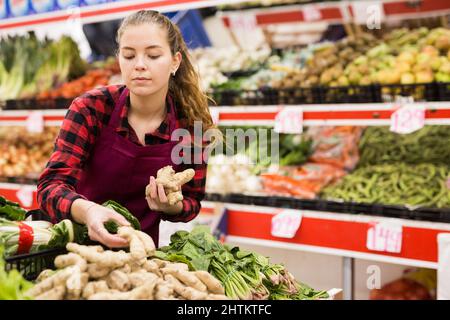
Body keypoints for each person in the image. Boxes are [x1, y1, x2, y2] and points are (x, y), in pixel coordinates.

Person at [37, 10, 216, 248]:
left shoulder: (192, 127)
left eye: (153, 55)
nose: (139, 65)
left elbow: (192, 201)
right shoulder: (91, 108)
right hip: (73, 247)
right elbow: (50, 187)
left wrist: (171, 206)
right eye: (129, 55)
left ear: (175, 62)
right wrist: (88, 211)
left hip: (139, 256)